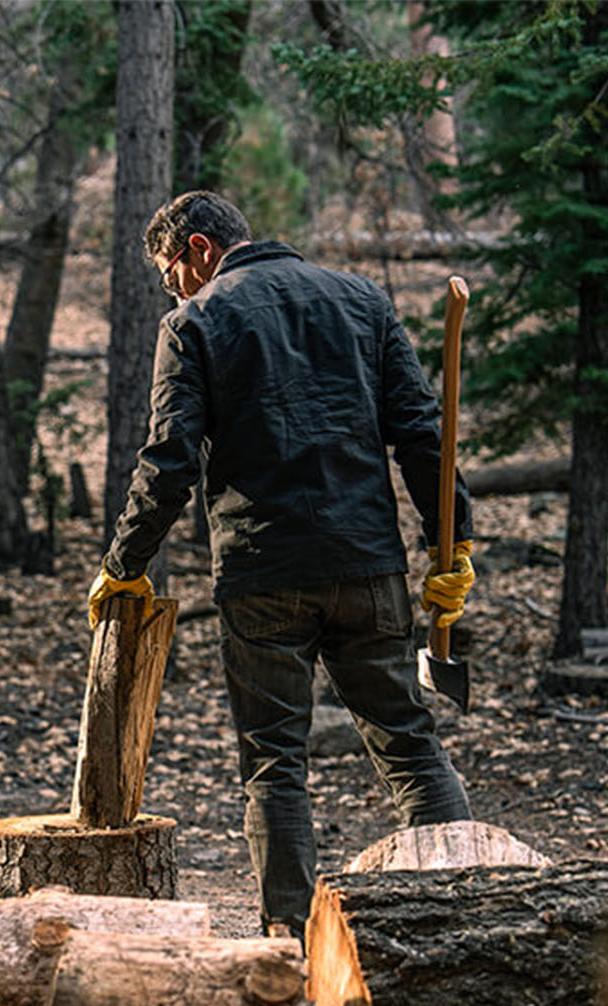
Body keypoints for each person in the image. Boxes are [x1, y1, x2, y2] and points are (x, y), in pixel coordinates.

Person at [86, 190, 476, 940]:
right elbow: (426, 435)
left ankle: (287, 948)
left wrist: (124, 563)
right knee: (411, 748)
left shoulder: (195, 322)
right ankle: (460, 920)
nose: (176, 288)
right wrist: (450, 542)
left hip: (262, 575)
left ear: (198, 249)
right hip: (367, 566)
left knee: (274, 765)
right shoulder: (362, 301)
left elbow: (170, 462)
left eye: (173, 273)